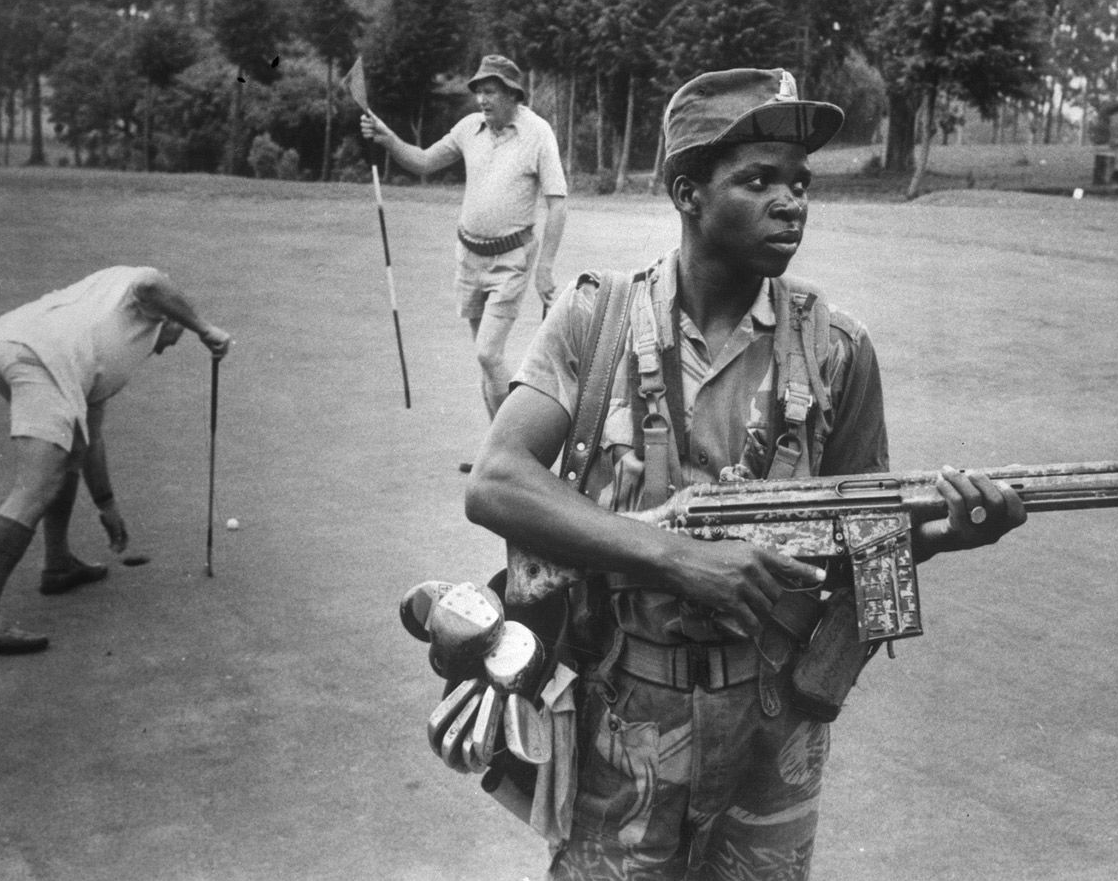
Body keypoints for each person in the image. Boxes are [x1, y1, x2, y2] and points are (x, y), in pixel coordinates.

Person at [465, 68, 1027, 878]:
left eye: (800, 182)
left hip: (775, 720)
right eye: (758, 179)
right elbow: (498, 480)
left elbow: (860, 533)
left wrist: (944, 534)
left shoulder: (838, 349)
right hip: (623, 717)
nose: (791, 201)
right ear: (688, 192)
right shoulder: (598, 316)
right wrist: (675, 556)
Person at [0, 266, 232, 655]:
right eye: (173, 335)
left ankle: (59, 563)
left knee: (67, 452)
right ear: (164, 316)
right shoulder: (141, 292)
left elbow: (90, 440)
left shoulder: (107, 330)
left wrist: (107, 506)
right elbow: (152, 285)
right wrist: (204, 328)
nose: (166, 349)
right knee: (36, 486)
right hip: (42, 355)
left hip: (8, 346)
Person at [361, 54, 568, 433]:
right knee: (486, 360)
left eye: (490, 92)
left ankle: (515, 447)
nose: (482, 100)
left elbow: (557, 202)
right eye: (479, 93)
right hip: (469, 257)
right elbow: (423, 162)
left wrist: (546, 267)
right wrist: (386, 138)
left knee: (488, 354)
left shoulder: (538, 133)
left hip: (512, 259)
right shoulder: (469, 128)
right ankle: (496, 450)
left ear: (512, 94)